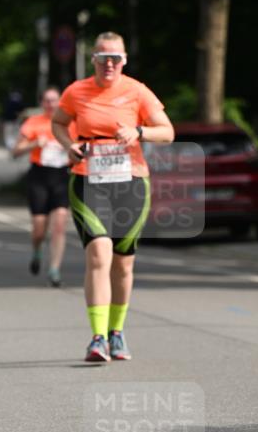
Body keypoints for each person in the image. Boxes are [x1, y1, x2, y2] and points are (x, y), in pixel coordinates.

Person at [52, 32, 174, 362]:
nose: (109, 64)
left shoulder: (137, 91)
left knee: (123, 263)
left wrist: (139, 131)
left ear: (124, 60)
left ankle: (116, 334)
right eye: (103, 57)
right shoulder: (76, 91)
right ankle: (96, 338)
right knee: (99, 253)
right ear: (93, 59)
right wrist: (68, 145)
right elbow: (59, 123)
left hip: (131, 183)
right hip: (88, 181)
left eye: (116, 58)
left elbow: (168, 131)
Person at [12, 85, 69, 286]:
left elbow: (81, 148)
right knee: (38, 229)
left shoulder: (69, 123)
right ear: (42, 103)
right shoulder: (33, 122)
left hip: (62, 175)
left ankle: (54, 269)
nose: (51, 104)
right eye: (47, 100)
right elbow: (16, 151)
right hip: (39, 176)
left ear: (61, 102)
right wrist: (35, 144)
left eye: (55, 100)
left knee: (60, 224)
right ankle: (37, 250)